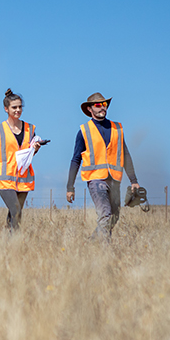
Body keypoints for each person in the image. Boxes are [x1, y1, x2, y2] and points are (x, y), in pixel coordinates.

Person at [66, 92, 140, 241]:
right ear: (90, 109)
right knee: (105, 213)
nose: (102, 108)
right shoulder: (83, 131)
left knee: (114, 216)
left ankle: (91, 242)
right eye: (98, 105)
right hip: (96, 180)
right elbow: (75, 160)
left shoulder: (117, 128)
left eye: (104, 104)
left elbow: (125, 154)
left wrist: (133, 180)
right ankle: (105, 253)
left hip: (114, 179)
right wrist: (70, 187)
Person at [0, 89, 43, 231]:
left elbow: (30, 153)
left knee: (14, 214)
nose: (18, 110)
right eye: (14, 107)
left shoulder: (30, 129)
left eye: (20, 107)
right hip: (5, 179)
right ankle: (15, 241)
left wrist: (36, 148)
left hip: (24, 178)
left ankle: (7, 243)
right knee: (16, 210)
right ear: (6, 109)